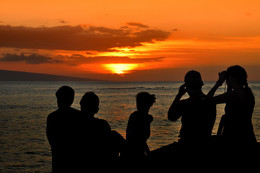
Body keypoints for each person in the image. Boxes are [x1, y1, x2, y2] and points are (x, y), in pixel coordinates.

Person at [207, 65, 257, 145]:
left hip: (232, 138)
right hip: (248, 136)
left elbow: (207, 101)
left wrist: (218, 83)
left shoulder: (232, 95)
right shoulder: (248, 93)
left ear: (233, 78)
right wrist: (229, 86)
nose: (226, 79)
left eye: (228, 77)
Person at [168, 70, 216, 144]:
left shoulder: (186, 103)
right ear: (200, 85)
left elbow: (171, 116)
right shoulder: (210, 102)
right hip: (205, 142)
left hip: (188, 144)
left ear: (186, 86)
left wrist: (179, 95)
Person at [46, 86, 80, 173]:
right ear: (72, 100)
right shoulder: (79, 116)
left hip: (58, 160)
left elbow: (51, 139)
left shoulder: (52, 117)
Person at [126, 92, 156, 161]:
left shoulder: (139, 116)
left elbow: (141, 140)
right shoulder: (138, 117)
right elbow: (139, 139)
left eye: (138, 102)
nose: (137, 105)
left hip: (135, 152)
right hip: (134, 154)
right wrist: (148, 153)